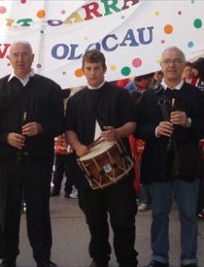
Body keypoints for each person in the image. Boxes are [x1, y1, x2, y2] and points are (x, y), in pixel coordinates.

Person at [0, 40, 64, 267]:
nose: (20, 59)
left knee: (39, 211)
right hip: (8, 162)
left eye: (24, 54)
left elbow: (60, 122)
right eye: (15, 55)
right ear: (9, 59)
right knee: (7, 211)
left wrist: (42, 128)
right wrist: (5, 136)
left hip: (39, 161)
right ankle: (8, 259)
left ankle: (43, 258)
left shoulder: (50, 88)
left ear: (33, 57)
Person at [135, 46, 204, 267]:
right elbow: (137, 127)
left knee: (189, 214)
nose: (172, 65)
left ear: (184, 65)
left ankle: (189, 258)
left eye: (177, 60)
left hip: (187, 162)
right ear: (160, 66)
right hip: (158, 162)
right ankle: (159, 257)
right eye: (167, 61)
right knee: (159, 213)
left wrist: (189, 122)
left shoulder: (195, 94)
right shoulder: (149, 96)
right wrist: (155, 130)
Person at [65, 49, 138, 267]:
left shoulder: (120, 95)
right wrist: (77, 146)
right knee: (94, 220)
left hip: (118, 167)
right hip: (89, 171)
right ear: (83, 70)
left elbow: (132, 123)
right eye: (89, 68)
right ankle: (99, 259)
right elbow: (69, 129)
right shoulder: (76, 100)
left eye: (97, 68)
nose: (93, 72)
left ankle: (127, 260)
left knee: (123, 219)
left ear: (105, 69)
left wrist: (117, 133)